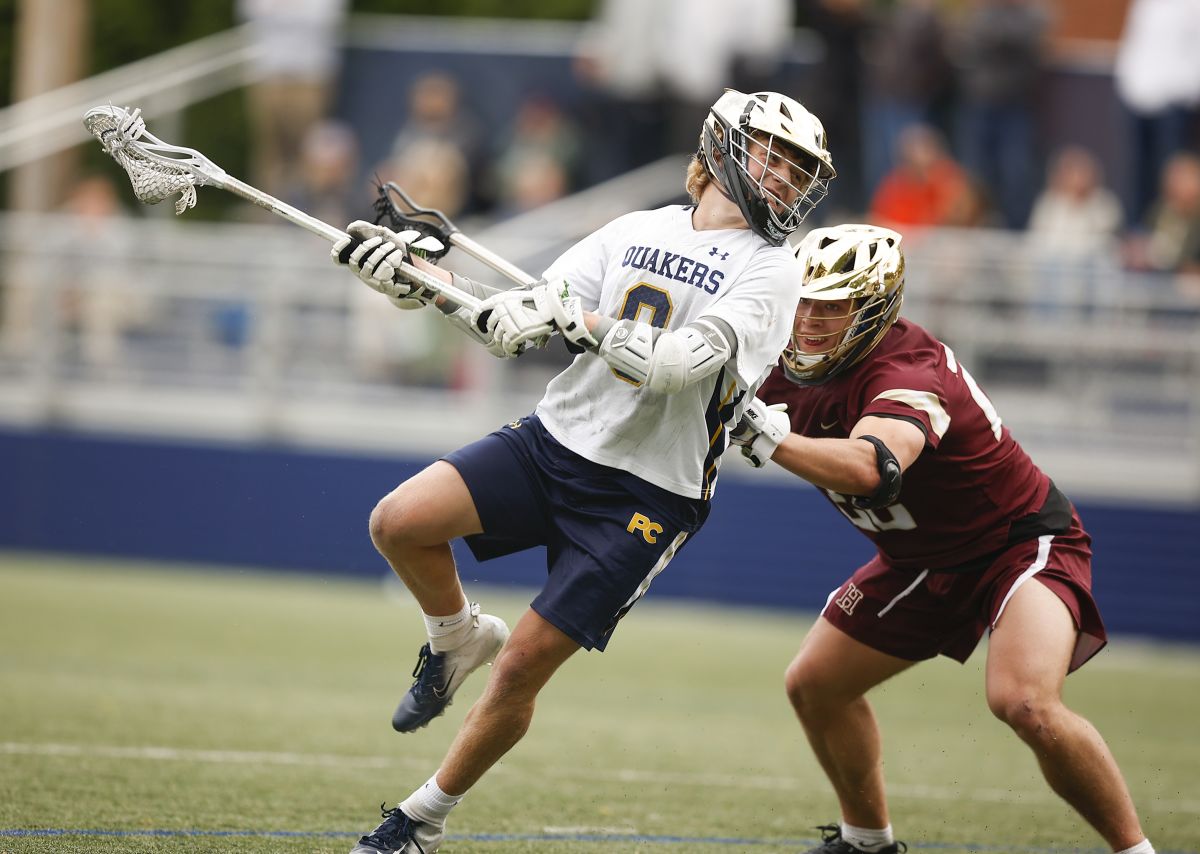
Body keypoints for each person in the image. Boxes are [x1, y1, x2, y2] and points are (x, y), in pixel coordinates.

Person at [329, 88, 836, 854]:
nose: (791, 182)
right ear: (726, 147)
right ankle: (456, 636)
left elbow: (675, 364)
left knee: (523, 667)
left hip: (647, 493)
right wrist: (423, 288)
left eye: (803, 171)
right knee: (397, 522)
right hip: (557, 440)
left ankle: (420, 820)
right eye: (779, 159)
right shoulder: (636, 229)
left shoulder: (774, 272)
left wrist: (583, 320)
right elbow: (522, 318)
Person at [730, 224, 1156, 854]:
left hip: (1015, 542)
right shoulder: (772, 355)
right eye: (803, 301)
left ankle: (1135, 851)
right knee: (815, 684)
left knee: (1024, 700)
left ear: (872, 307)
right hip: (920, 560)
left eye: (833, 305)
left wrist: (767, 436)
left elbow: (873, 468)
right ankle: (866, 843)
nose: (810, 320)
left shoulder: (908, 368)